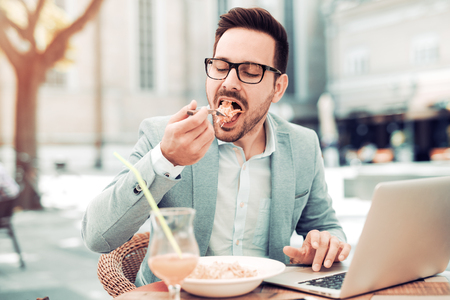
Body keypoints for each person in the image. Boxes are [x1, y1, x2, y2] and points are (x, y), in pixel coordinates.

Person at [82, 7, 351, 286]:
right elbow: (97, 235)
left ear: (278, 88)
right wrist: (165, 160)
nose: (228, 82)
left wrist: (327, 243)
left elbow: (327, 227)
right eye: (220, 67)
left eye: (250, 71)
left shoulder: (302, 145)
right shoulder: (163, 137)